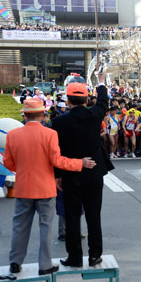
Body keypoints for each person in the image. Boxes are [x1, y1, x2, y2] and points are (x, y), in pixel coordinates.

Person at [3, 98, 96, 275]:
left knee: (19, 226)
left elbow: (7, 161)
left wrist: (21, 169)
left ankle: (15, 262)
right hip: (45, 187)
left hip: (23, 187)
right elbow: (57, 161)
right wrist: (80, 163)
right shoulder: (50, 134)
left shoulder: (13, 135)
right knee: (46, 226)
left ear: (25, 115)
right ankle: (44, 265)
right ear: (43, 115)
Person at [52, 77, 114, 268]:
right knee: (93, 216)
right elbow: (104, 101)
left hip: (70, 174)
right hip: (94, 172)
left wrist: (57, 175)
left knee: (72, 217)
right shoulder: (95, 115)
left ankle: (74, 258)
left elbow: (56, 150)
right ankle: (95, 255)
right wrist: (101, 84)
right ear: (87, 100)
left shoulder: (58, 122)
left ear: (67, 101)